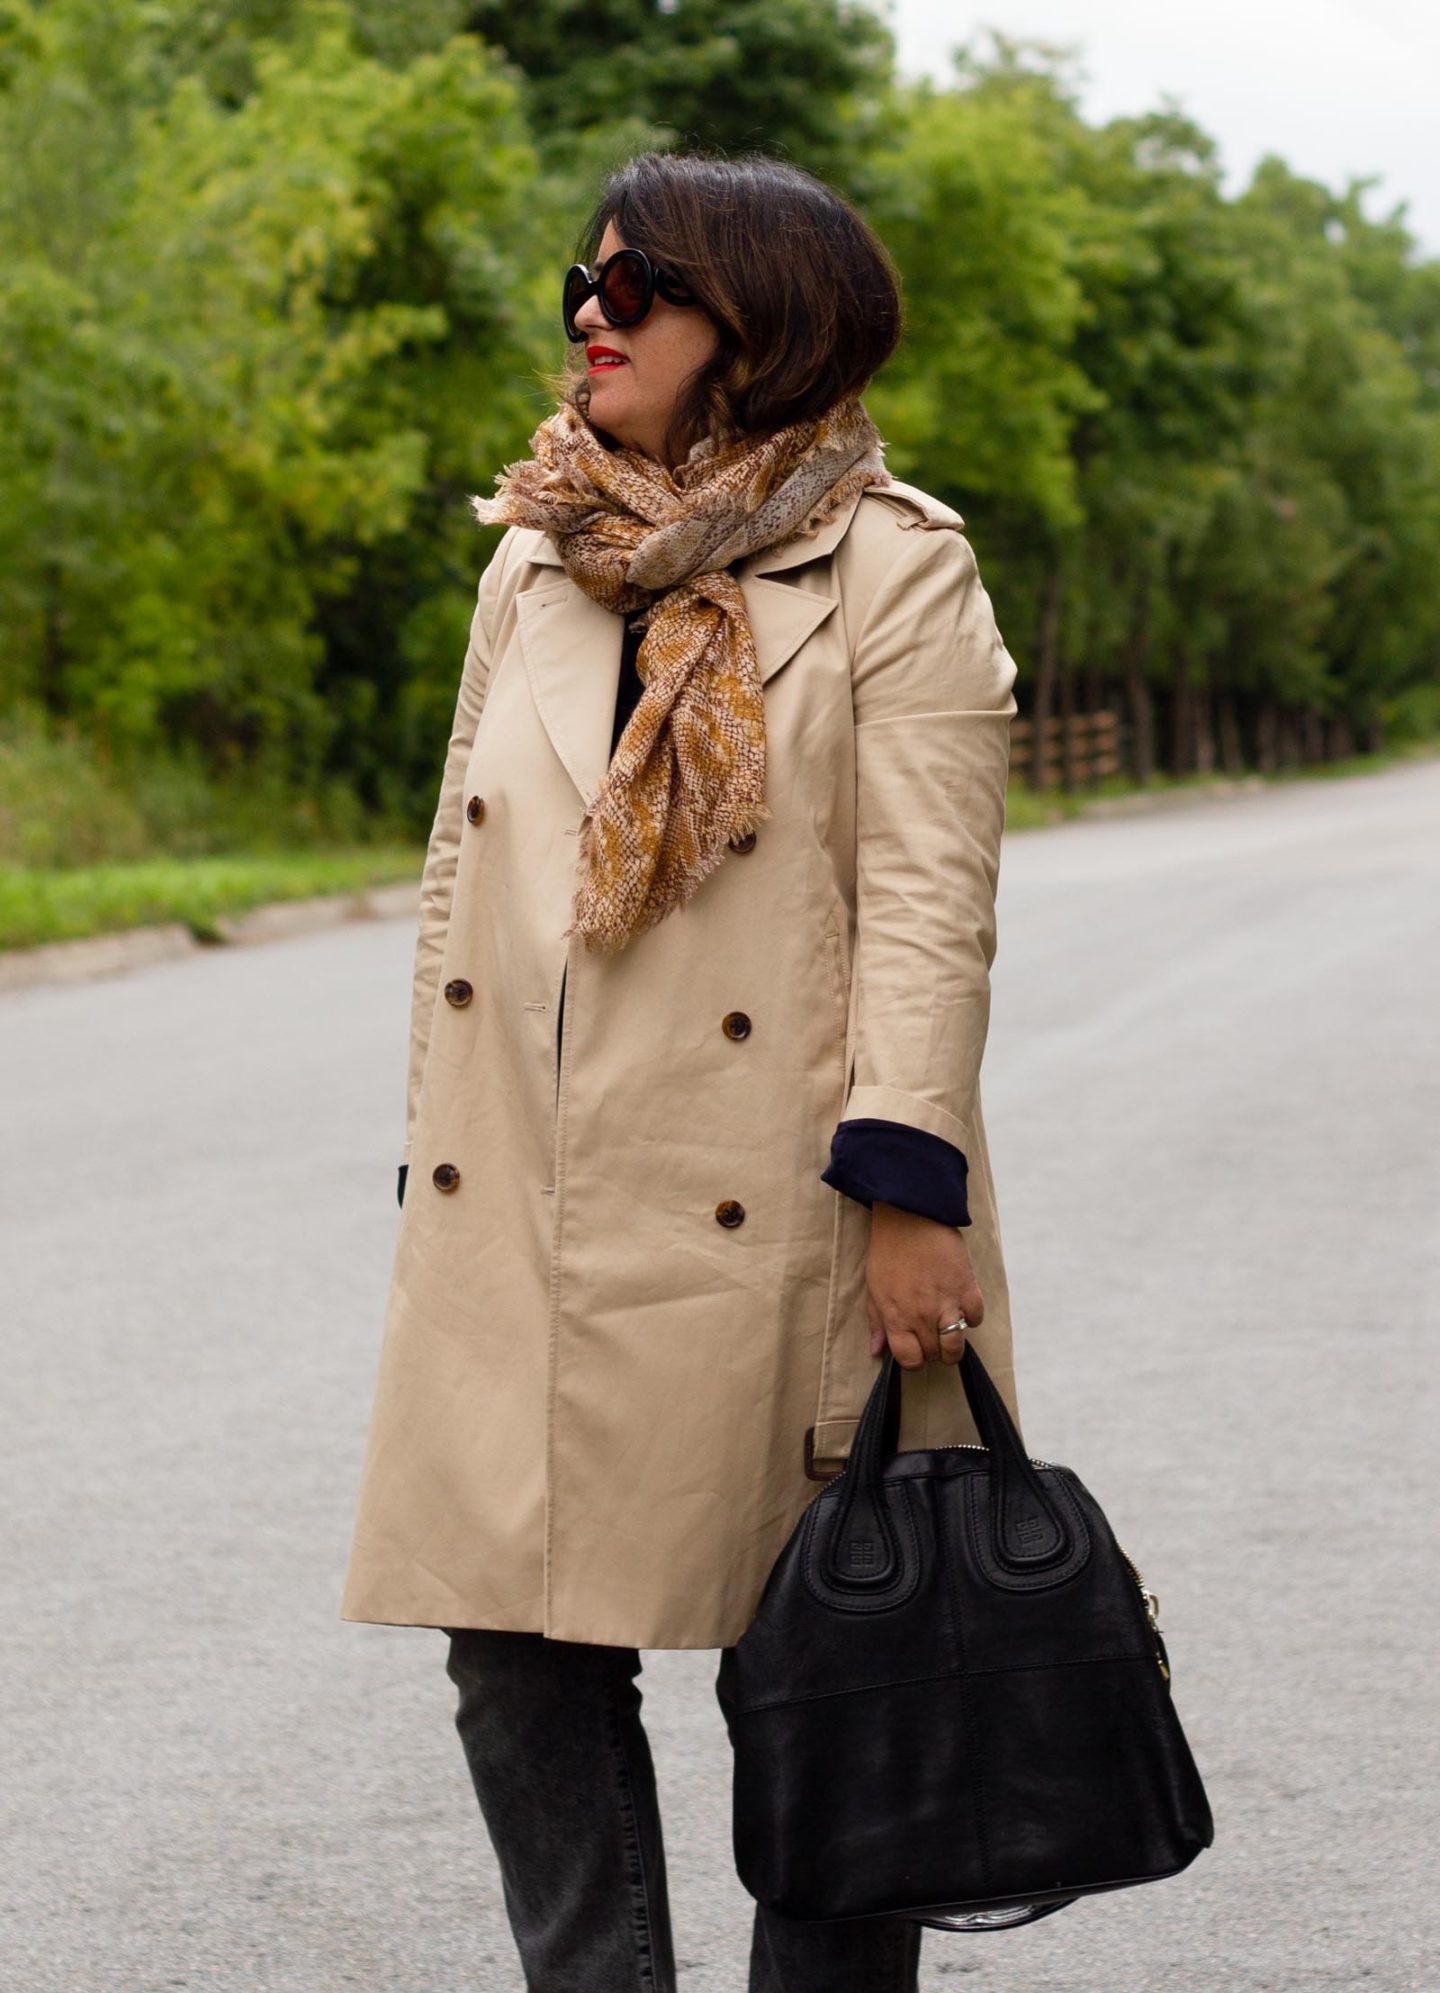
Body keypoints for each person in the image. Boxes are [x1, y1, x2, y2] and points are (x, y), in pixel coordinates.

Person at [340, 148, 1022, 1993]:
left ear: (760, 318)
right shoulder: (537, 559)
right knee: (512, 1646)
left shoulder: (894, 567)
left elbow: (928, 906)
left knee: (827, 1650)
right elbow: (453, 891)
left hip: (791, 1208)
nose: (590, 310)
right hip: (528, 1197)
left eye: (637, 286)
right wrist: (434, 1146)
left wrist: (907, 1187)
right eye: (586, 277)